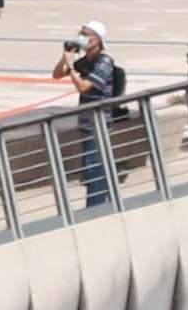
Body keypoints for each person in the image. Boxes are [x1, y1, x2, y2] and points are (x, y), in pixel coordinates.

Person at [50, 18, 130, 202]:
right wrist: (66, 57)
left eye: (85, 34)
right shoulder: (87, 60)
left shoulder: (104, 62)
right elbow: (56, 74)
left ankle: (96, 207)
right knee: (91, 167)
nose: (81, 37)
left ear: (97, 39)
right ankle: (102, 201)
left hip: (98, 123)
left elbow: (84, 87)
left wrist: (70, 67)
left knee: (93, 167)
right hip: (87, 123)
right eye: (81, 33)